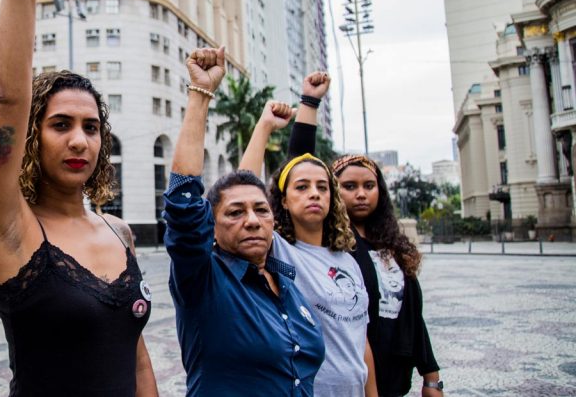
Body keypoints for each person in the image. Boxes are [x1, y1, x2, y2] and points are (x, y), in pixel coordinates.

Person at [0, 0, 158, 397]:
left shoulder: (119, 232)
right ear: (32, 137)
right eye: (60, 125)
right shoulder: (9, 225)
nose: (79, 140)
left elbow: (137, 358)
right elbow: (10, 96)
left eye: (91, 128)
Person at [162, 47, 324, 396]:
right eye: (234, 214)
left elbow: (243, 187)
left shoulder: (286, 282)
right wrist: (201, 94)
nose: (251, 220)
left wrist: (265, 126)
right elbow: (185, 203)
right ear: (212, 227)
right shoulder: (204, 281)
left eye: (261, 210)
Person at [240, 73, 377, 397]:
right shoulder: (282, 253)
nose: (314, 194)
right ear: (283, 200)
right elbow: (242, 187)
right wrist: (265, 127)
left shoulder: (350, 261)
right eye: (301, 187)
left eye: (322, 187)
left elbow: (361, 341)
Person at [331, 154, 442, 396]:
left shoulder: (393, 244)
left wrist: (431, 377)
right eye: (350, 186)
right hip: (354, 374)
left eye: (369, 186)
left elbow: (413, 314)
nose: (361, 194)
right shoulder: (331, 246)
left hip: (396, 373)